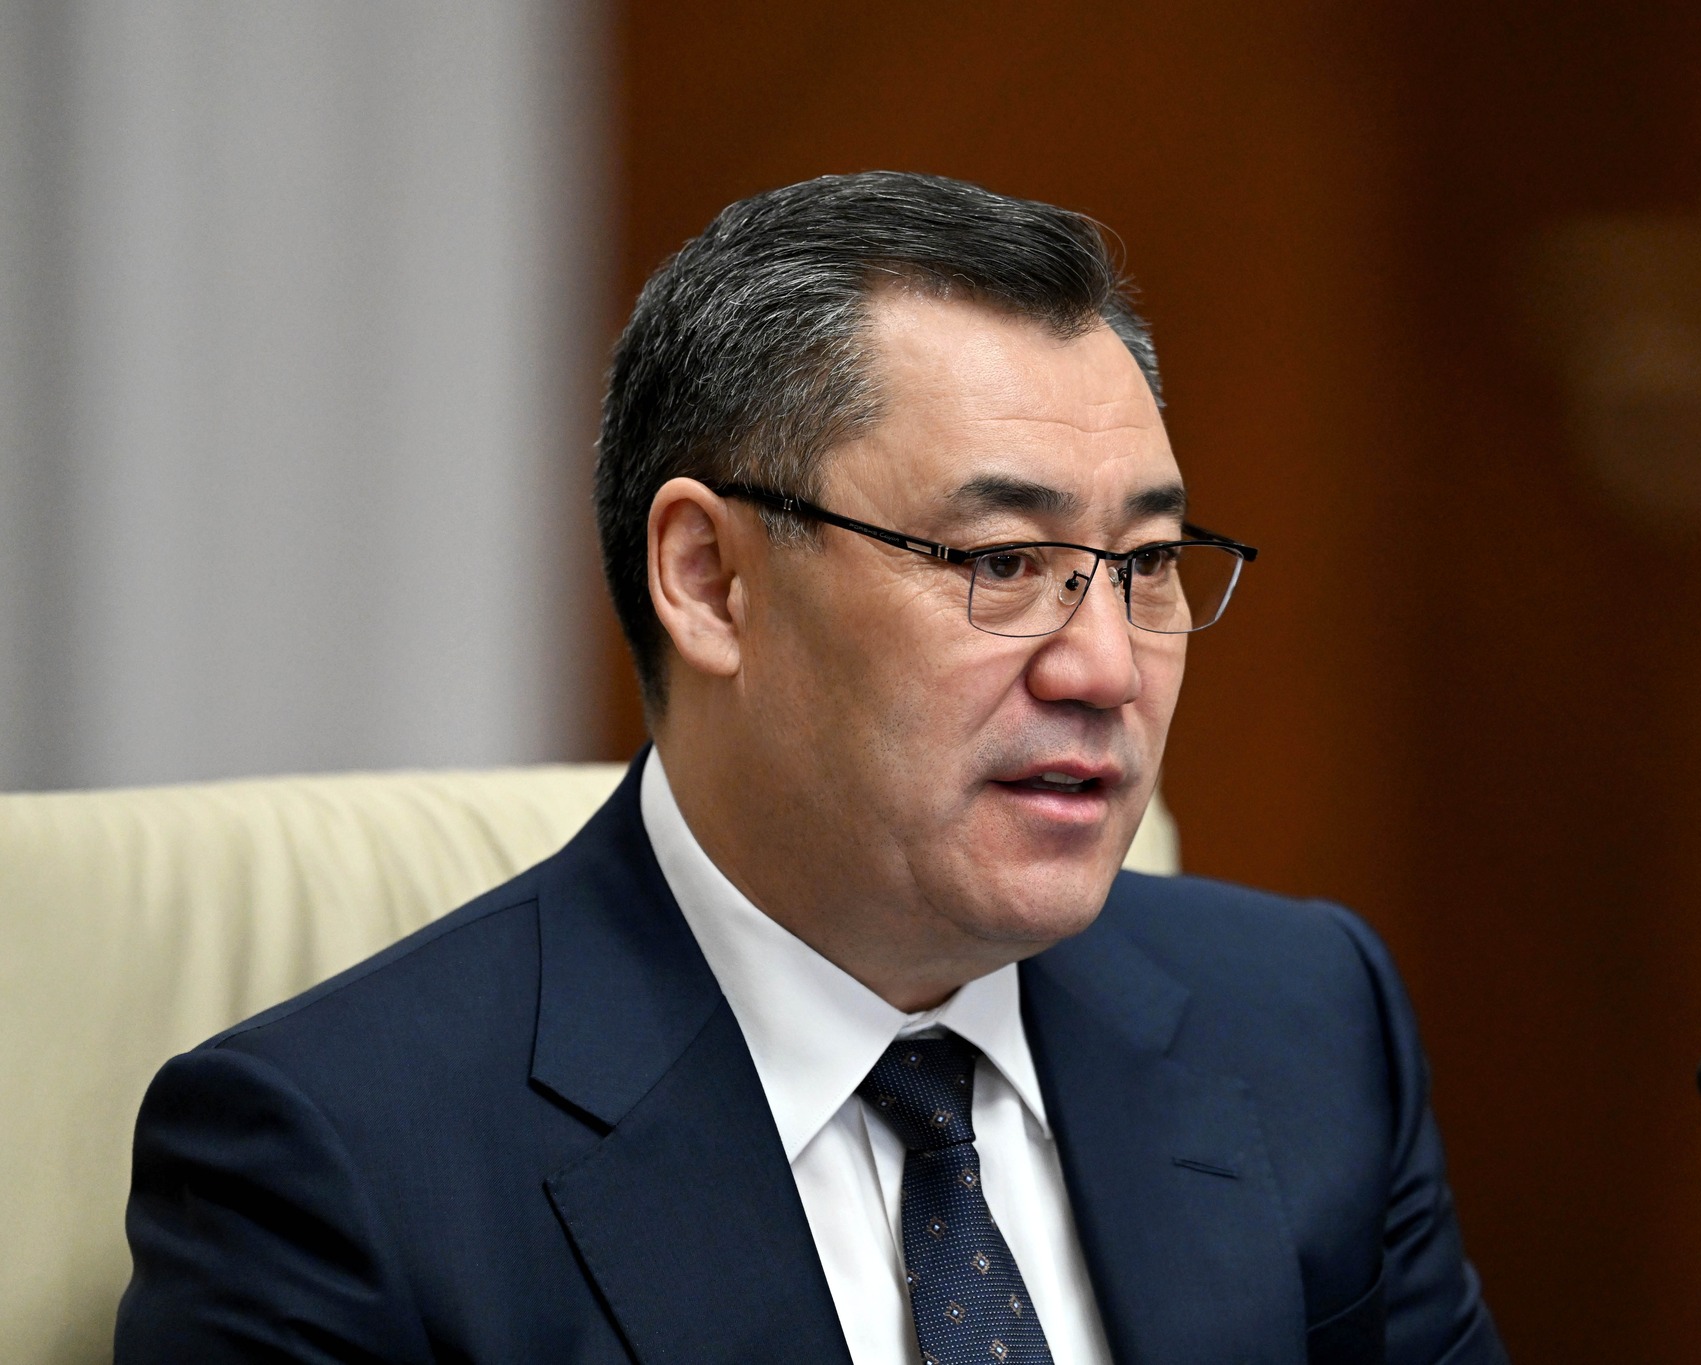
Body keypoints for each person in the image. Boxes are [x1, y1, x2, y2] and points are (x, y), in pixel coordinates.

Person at [115, 171, 1508, 1365]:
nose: (1105, 666)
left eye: (1144, 564)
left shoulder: (1308, 1027)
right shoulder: (338, 1167)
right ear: (709, 580)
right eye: (1002, 563)